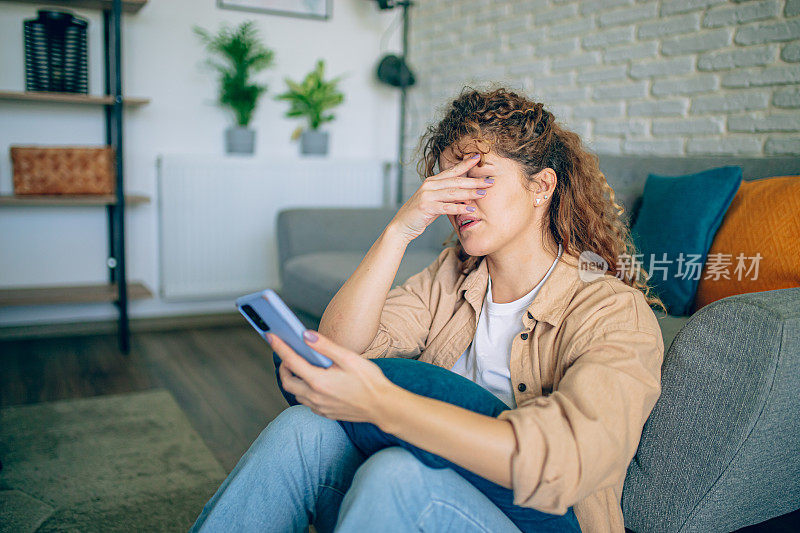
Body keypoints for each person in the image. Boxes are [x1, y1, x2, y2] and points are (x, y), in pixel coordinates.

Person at [190, 86, 667, 533]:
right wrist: (400, 229)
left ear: (541, 187)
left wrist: (383, 405)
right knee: (303, 429)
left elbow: (566, 461)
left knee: (397, 473)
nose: (460, 201)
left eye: (479, 179)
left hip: (534, 518)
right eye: (449, 183)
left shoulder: (611, 310)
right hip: (435, 496)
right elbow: (336, 350)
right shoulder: (454, 275)